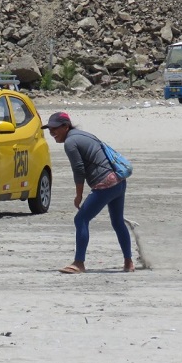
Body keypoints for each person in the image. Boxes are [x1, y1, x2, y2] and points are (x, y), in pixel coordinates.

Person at [43, 112, 135, 274]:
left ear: (66, 126)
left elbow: (79, 170)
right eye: (50, 130)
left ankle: (79, 263)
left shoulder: (70, 142)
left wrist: (78, 196)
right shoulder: (84, 135)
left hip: (105, 184)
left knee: (81, 219)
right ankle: (129, 262)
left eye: (55, 129)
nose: (52, 133)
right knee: (117, 221)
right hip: (118, 181)